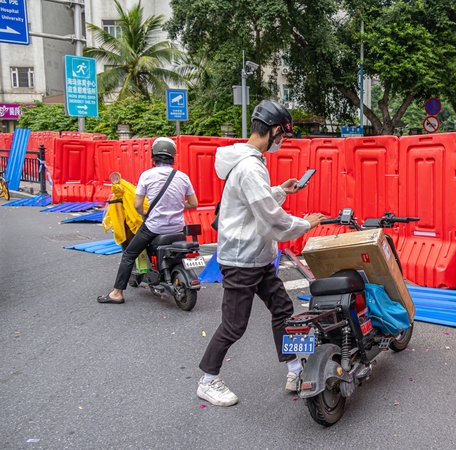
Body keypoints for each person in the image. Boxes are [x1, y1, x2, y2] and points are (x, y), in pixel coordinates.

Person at [196, 100, 326, 407]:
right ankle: (207, 379)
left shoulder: (248, 161)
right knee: (234, 325)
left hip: (258, 257)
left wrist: (282, 189)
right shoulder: (250, 167)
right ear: (275, 130)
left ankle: (295, 368)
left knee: (282, 310)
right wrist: (304, 224)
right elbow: (270, 218)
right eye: (282, 136)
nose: (281, 142)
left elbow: (255, 203)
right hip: (243, 261)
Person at [97, 137, 198, 304]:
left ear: (154, 156)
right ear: (173, 156)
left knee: (129, 253)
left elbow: (137, 204)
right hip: (177, 227)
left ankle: (117, 293)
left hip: (155, 227)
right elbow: (193, 203)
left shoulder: (147, 175)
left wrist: (145, 213)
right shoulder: (182, 177)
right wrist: (177, 206)